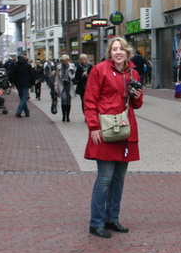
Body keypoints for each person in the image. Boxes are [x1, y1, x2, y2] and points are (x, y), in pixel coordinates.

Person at [83, 37, 143, 238]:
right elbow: (90, 99)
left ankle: (112, 219)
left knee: (119, 179)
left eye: (122, 49)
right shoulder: (99, 70)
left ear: (127, 52)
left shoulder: (133, 72)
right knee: (105, 178)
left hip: (125, 130)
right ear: (110, 53)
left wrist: (137, 96)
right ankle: (97, 221)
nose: (118, 52)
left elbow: (138, 104)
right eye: (115, 49)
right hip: (106, 131)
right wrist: (93, 127)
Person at [54, 54, 76, 122]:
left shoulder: (72, 66)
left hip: (69, 85)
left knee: (68, 101)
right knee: (63, 99)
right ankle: (63, 116)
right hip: (62, 84)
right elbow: (57, 76)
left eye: (66, 61)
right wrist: (56, 85)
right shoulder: (59, 67)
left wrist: (73, 76)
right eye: (63, 61)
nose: (65, 62)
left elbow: (75, 73)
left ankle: (68, 116)